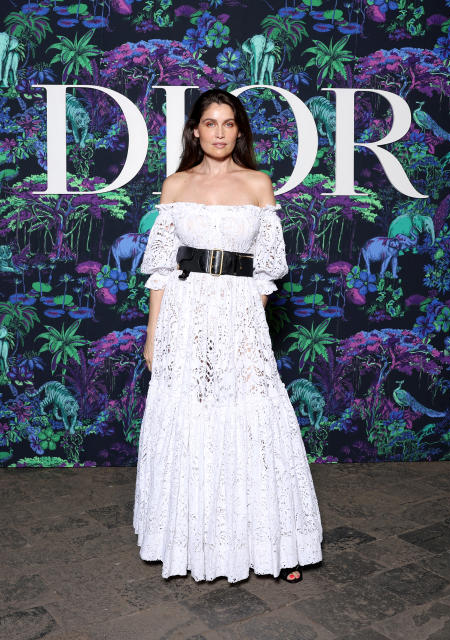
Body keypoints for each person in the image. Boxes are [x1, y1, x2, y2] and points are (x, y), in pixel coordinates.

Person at [132, 88, 323, 584]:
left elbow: (267, 272)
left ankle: (271, 545)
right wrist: (154, 337)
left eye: (229, 123)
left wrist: (247, 323)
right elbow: (160, 271)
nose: (219, 132)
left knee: (251, 417)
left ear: (239, 131)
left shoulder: (259, 184)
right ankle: (193, 542)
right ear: (195, 130)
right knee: (191, 416)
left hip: (239, 315)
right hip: (184, 313)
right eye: (210, 123)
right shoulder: (174, 185)